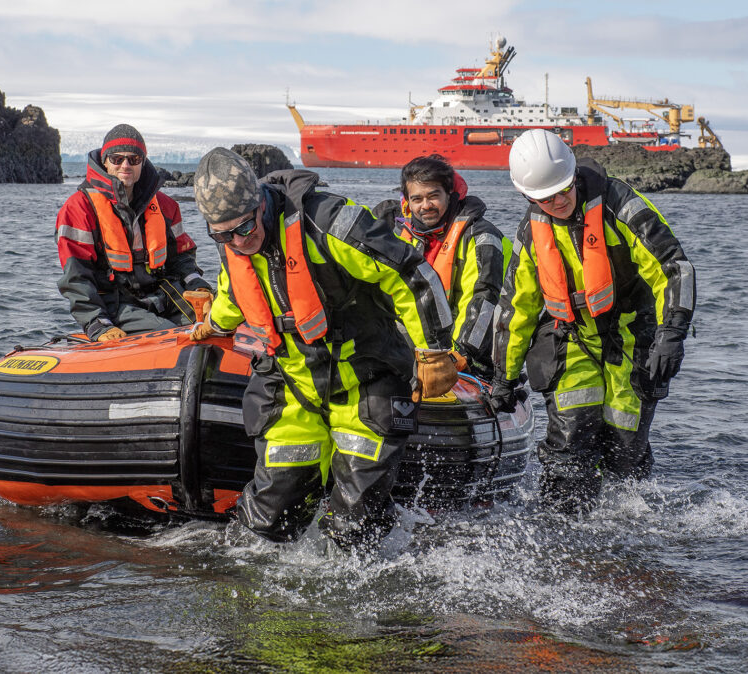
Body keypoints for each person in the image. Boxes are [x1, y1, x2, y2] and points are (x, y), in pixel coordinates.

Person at [189, 147, 460, 549]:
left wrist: (433, 351)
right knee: (265, 524)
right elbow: (235, 293)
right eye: (223, 234)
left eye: (243, 230)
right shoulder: (233, 241)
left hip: (366, 377)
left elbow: (410, 274)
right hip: (293, 384)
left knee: (355, 524)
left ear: (260, 207)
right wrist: (211, 324)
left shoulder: (329, 221)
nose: (237, 241)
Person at [491, 129, 695, 514]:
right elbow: (515, 307)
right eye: (545, 198)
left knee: (624, 443)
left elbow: (673, 268)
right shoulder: (530, 233)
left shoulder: (621, 206)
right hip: (572, 338)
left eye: (563, 189)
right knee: (569, 438)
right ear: (527, 197)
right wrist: (503, 377)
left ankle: (630, 527)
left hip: (632, 335)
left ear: (573, 175)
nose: (558, 201)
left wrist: (672, 335)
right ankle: (562, 528)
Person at [55, 124, 213, 341]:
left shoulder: (166, 206)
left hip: (165, 296)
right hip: (117, 304)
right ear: (105, 161)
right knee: (174, 339)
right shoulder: (78, 209)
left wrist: (198, 285)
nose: (125, 165)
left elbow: (181, 259)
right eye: (117, 159)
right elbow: (76, 277)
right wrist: (97, 324)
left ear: (143, 161)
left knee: (216, 324)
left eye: (134, 159)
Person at [374, 154, 511, 375]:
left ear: (449, 194)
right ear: (407, 201)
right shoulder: (393, 233)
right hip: (405, 354)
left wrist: (458, 357)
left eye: (433, 196)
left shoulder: (480, 236)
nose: (425, 206)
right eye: (417, 199)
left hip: (464, 354)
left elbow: (482, 299)